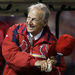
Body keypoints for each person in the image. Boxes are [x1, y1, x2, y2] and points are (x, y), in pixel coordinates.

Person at [2, 3, 65, 75]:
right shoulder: (15, 30)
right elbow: (10, 55)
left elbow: (60, 69)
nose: (29, 22)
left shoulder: (53, 42)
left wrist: (49, 68)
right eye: (28, 18)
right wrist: (35, 62)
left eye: (34, 19)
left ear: (44, 23)